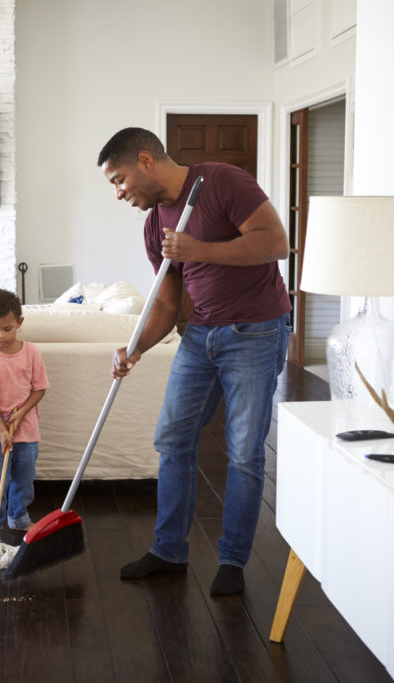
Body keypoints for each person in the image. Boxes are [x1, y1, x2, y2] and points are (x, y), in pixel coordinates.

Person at [97, 127, 291, 596]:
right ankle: (168, 550)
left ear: (145, 161)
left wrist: (199, 249)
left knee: (244, 452)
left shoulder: (224, 182)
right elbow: (166, 305)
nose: (119, 193)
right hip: (199, 335)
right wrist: (136, 346)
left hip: (256, 332)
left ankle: (233, 560)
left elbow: (275, 243)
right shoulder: (152, 225)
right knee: (172, 439)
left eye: (119, 180)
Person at [0, 289, 49, 537]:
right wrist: (2, 429)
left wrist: (22, 412)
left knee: (24, 480)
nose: (0, 335)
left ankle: (18, 517)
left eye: (7, 329)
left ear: (19, 322)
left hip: (26, 428)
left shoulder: (32, 352)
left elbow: (39, 389)